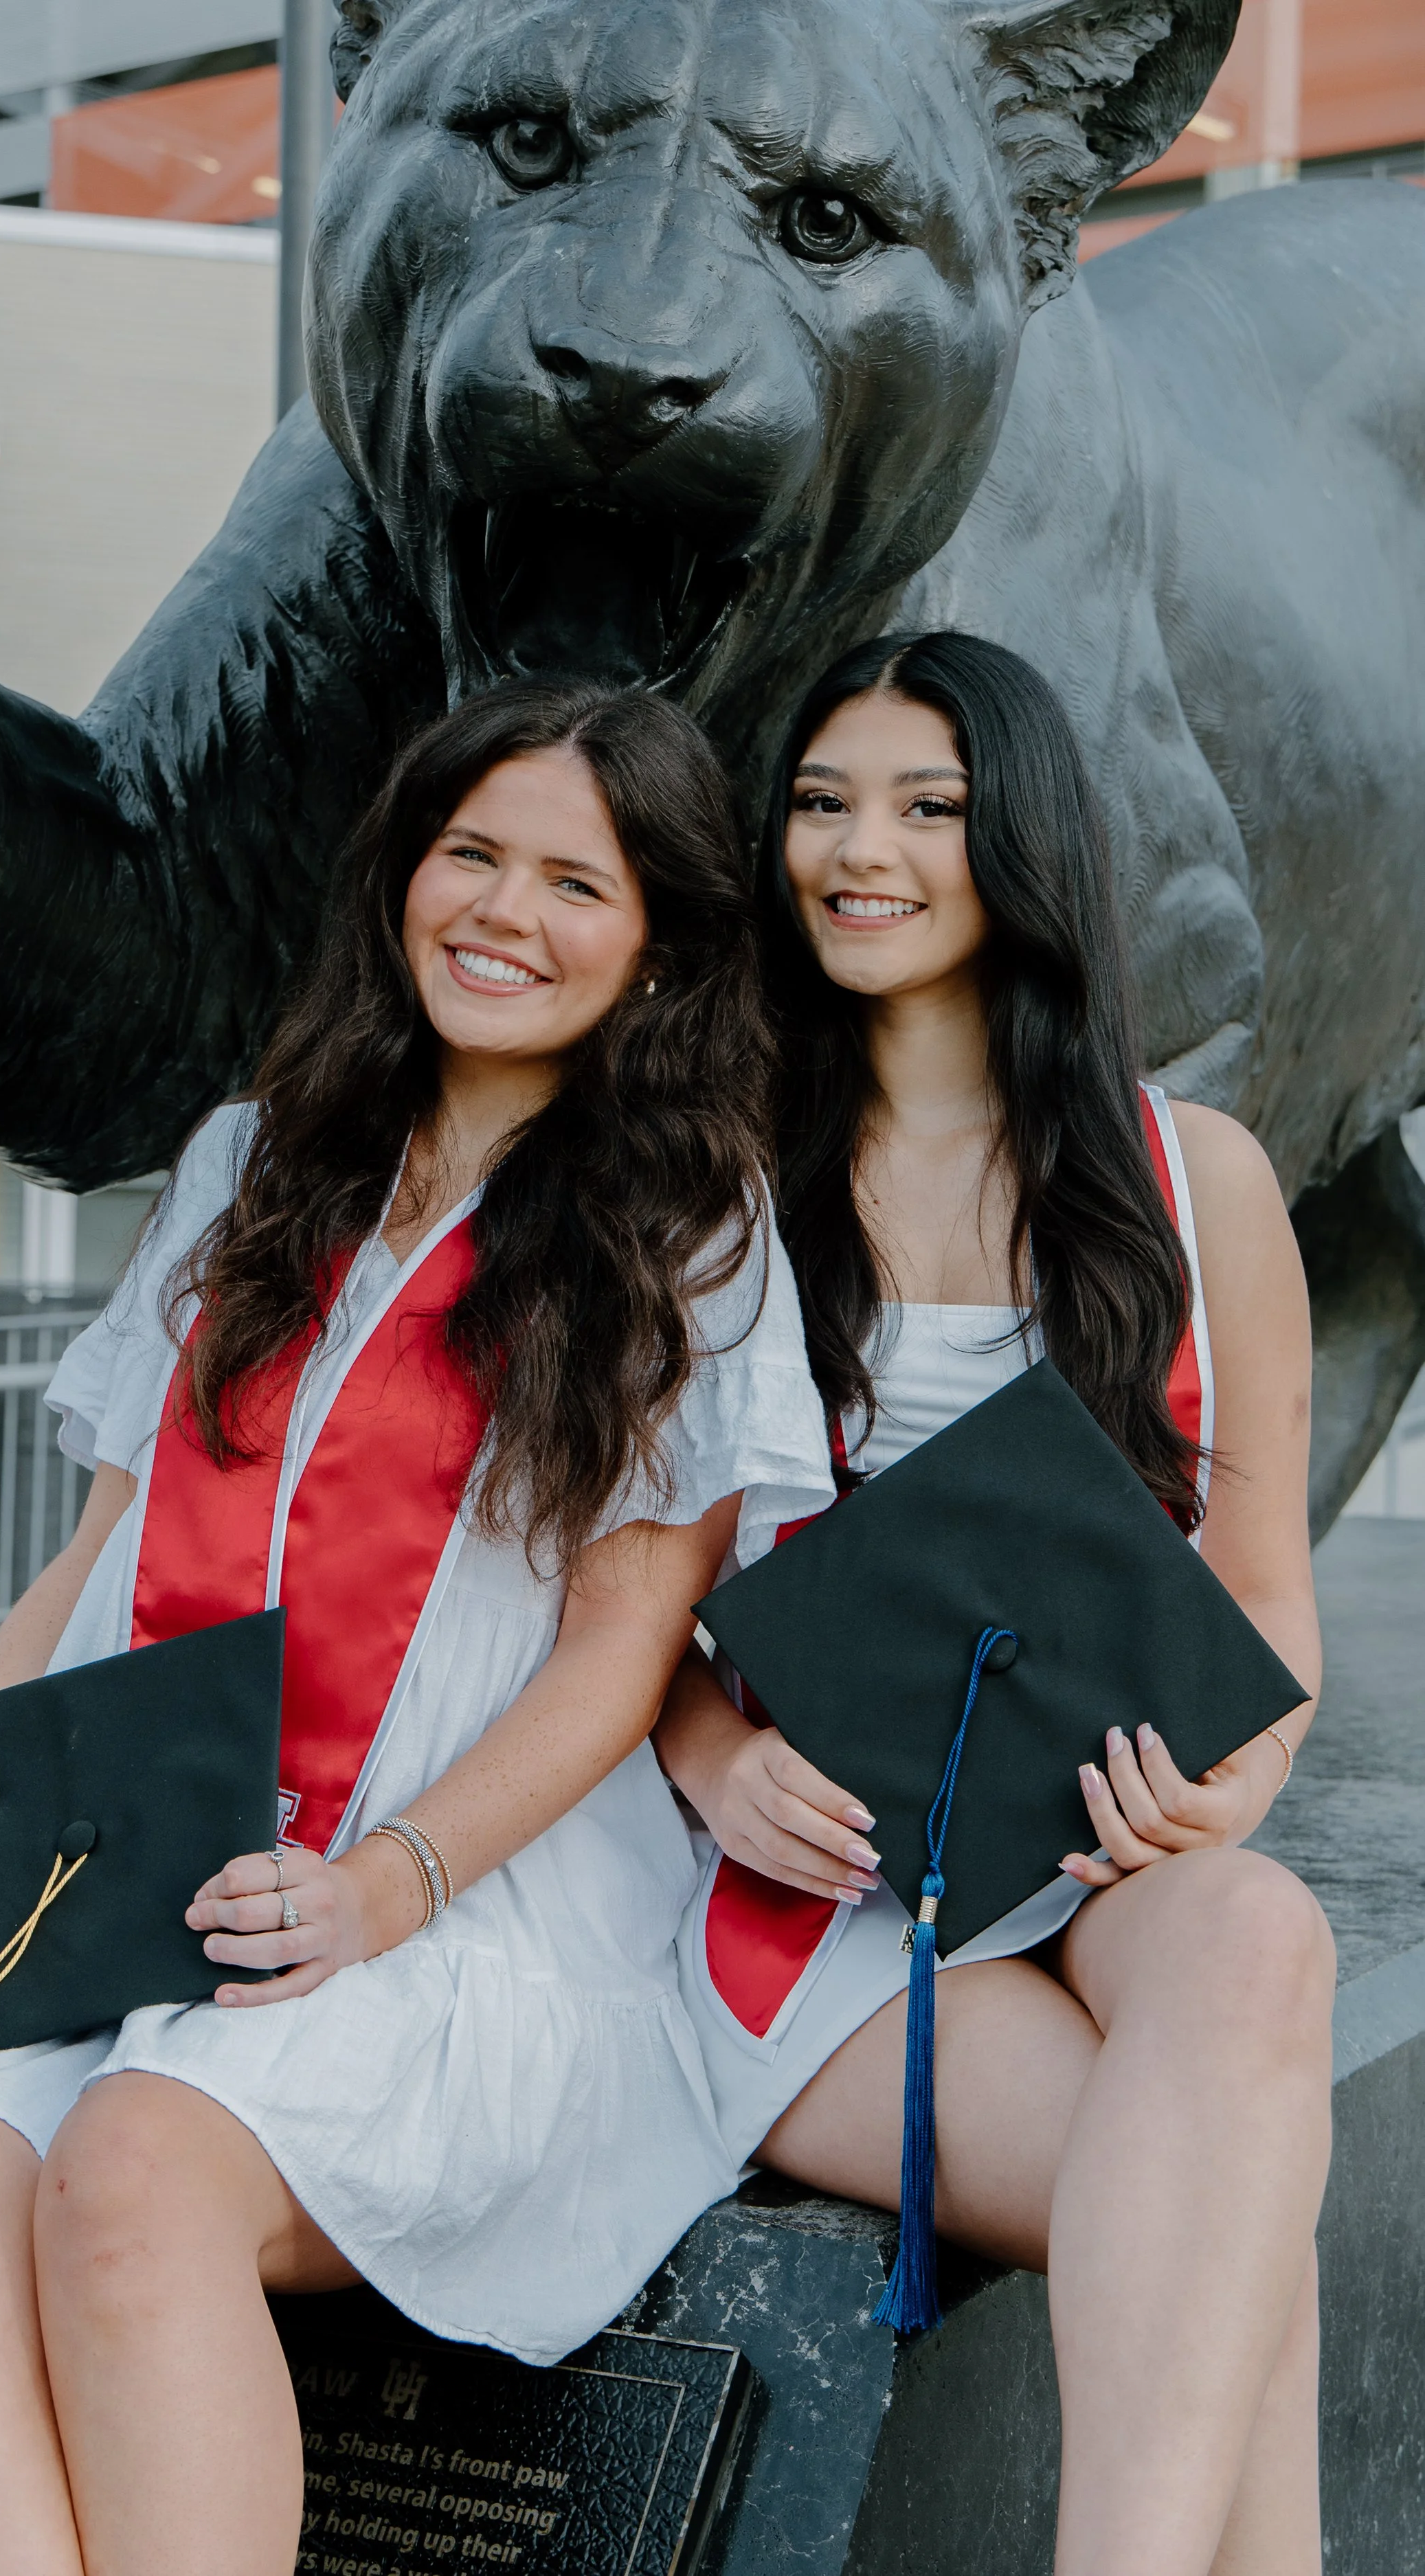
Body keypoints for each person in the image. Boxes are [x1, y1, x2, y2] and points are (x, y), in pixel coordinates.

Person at [0, 685, 835, 2576]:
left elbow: (621, 1659)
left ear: (653, 949)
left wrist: (384, 1884)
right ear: (400, 873)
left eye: (573, 880)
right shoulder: (251, 1168)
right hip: (142, 1867)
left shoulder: (682, 1233)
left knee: (132, 2170)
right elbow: (107, 1544)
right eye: (470, 852)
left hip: (456, 1907)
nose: (503, 910)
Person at [655, 633, 1333, 2576]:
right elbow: (616, 1607)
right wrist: (712, 1765)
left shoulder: (1191, 1186)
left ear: (1019, 838)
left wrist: (1229, 1783)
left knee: (1256, 1936)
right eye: (820, 801)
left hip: (1096, 1841)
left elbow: (1264, 1590)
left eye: (927, 807)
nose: (860, 851)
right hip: (809, 1894)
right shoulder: (708, 1177)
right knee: (1229, 2217)